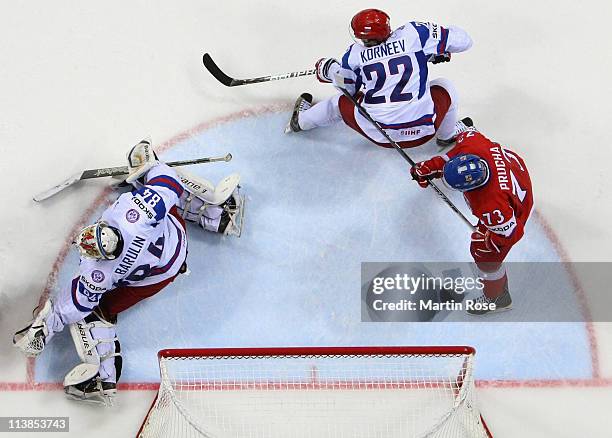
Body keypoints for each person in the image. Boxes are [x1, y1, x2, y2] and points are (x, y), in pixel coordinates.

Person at [13, 139, 244, 404]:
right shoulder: (138, 217)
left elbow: (74, 305)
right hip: (173, 247)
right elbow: (169, 183)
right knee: (163, 192)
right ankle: (217, 215)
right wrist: (149, 167)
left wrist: (44, 328)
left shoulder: (98, 273)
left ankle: (102, 377)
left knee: (97, 312)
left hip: (158, 277)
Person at [285, 8, 473, 149]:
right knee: (446, 86)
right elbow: (464, 42)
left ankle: (300, 122)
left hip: (380, 134)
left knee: (338, 103)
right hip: (423, 131)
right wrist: (438, 48)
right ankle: (447, 136)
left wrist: (330, 70)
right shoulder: (414, 33)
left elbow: (347, 90)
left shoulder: (354, 54)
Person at [410, 122, 533, 315]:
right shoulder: (474, 144)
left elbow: (513, 233)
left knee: (484, 256)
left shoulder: (490, 207)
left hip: (516, 209)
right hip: (514, 172)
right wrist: (431, 166)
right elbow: (463, 134)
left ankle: (498, 298)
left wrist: (489, 240)